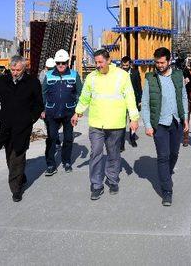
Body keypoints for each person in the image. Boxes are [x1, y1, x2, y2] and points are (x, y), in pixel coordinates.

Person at [72, 49, 139, 200]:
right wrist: (78, 112)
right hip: (96, 123)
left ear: (109, 60)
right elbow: (85, 97)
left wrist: (134, 118)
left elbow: (130, 97)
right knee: (95, 152)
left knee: (113, 153)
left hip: (115, 123)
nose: (98, 65)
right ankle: (96, 184)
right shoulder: (91, 77)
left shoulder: (121, 76)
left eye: (100, 62)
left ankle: (113, 179)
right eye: (96, 62)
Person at [0, 55, 44, 202]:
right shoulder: (3, 81)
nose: (14, 72)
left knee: (18, 155)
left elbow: (39, 104)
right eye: (12, 69)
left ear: (24, 68)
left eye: (18, 70)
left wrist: (32, 118)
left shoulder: (32, 82)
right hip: (6, 125)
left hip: (23, 126)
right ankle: (20, 176)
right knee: (9, 156)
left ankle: (16, 189)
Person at [141, 47, 188, 206]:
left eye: (162, 62)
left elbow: (183, 98)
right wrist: (147, 125)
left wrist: (185, 118)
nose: (159, 65)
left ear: (169, 61)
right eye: (156, 62)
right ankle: (167, 191)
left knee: (174, 154)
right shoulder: (150, 78)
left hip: (176, 122)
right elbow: (145, 104)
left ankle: (165, 174)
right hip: (159, 125)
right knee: (163, 156)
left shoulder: (178, 76)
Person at [41, 49, 82, 176]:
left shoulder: (74, 75)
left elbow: (81, 93)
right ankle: (51, 164)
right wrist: (42, 109)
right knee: (52, 138)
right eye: (58, 63)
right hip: (52, 112)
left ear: (67, 62)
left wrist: (78, 111)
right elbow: (43, 93)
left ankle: (67, 161)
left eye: (63, 63)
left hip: (69, 112)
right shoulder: (48, 75)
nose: (60, 65)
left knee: (68, 138)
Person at [119, 55, 142, 150]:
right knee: (121, 123)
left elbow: (138, 87)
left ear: (130, 64)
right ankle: (121, 144)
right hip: (121, 102)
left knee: (133, 121)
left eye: (126, 65)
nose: (125, 67)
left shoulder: (135, 73)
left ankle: (132, 139)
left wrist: (140, 100)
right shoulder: (118, 73)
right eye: (123, 65)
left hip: (133, 101)